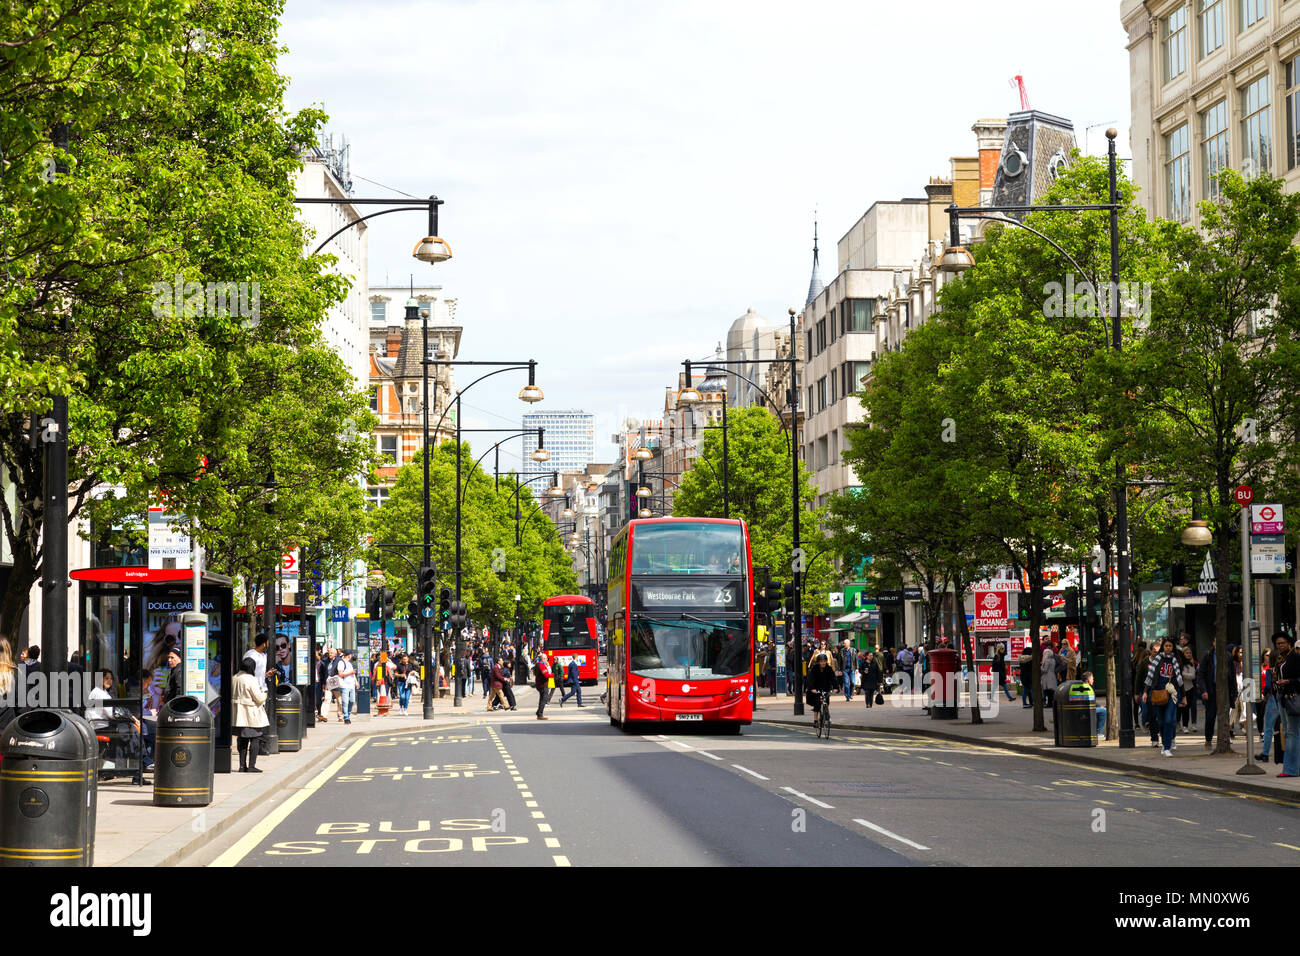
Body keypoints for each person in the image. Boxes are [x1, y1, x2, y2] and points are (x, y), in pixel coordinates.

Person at [1142, 637, 1184, 757]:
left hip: (1172, 694)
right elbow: (1149, 677)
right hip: (1158, 693)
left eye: (1170, 646)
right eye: (1166, 646)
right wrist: (1145, 692)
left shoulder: (1175, 660)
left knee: (1169, 720)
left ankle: (1166, 747)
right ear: (1163, 647)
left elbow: (1180, 679)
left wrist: (1183, 696)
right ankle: (1167, 738)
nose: (1168, 648)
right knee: (1161, 721)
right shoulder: (1157, 660)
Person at [1197, 643, 1238, 749]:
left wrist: (1234, 692)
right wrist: (1204, 690)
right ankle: (1208, 738)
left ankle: (1225, 737)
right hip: (1212, 690)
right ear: (1213, 643)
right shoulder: (1208, 655)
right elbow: (1201, 674)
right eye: (1216, 641)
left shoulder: (1228, 656)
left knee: (1225, 715)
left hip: (1225, 690)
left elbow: (1232, 675)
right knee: (1210, 715)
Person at [232, 657, 269, 772]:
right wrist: (264, 694)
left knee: (242, 739)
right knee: (255, 738)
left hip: (238, 714)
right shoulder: (251, 679)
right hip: (251, 712)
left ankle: (242, 766)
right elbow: (258, 698)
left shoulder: (234, 678)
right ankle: (252, 766)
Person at [1272, 632, 1300, 778]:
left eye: (1282, 643)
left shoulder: (1295, 658)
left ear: (1289, 643)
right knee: (1290, 733)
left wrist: (1288, 682)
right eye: (1278, 644)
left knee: (1292, 734)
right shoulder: (1280, 659)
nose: (1280, 646)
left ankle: (1291, 769)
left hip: (1292, 698)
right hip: (1282, 697)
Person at [807, 653, 836, 730]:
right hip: (816, 688)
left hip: (826, 687)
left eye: (824, 661)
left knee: (827, 701)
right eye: (821, 661)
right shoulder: (814, 669)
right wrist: (812, 688)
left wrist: (835, 687)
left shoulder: (829, 669)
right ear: (818, 662)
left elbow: (833, 679)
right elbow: (811, 679)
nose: (823, 663)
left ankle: (826, 715)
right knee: (817, 703)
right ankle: (816, 720)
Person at [1179, 646, 1198, 734]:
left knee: (1188, 707)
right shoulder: (1180, 664)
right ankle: (1181, 725)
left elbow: (1193, 676)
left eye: (1190, 653)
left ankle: (1186, 725)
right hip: (1181, 688)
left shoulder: (1191, 664)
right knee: (1182, 708)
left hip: (1190, 688)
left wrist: (1183, 674)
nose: (1189, 654)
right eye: (1187, 653)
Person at [1082, 670, 1106, 738]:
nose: (1093, 680)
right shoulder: (1088, 688)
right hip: (1087, 709)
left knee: (1102, 708)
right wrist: (1100, 707)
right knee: (1104, 711)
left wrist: (1099, 706)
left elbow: (1092, 701)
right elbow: (1091, 702)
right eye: (1092, 678)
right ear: (1089, 679)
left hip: (1083, 708)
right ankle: (1098, 732)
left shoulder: (1082, 686)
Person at [336, 650, 357, 725]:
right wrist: (351, 672)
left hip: (352, 685)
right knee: (345, 702)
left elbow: (353, 674)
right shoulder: (341, 663)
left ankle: (348, 714)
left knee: (352, 700)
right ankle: (346, 717)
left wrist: (356, 682)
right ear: (349, 655)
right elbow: (340, 674)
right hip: (344, 685)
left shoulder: (350, 663)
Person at [534, 651, 553, 720]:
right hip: (543, 684)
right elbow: (546, 675)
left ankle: (538, 711)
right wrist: (553, 675)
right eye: (546, 659)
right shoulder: (541, 665)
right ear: (543, 659)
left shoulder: (537, 664)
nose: (547, 660)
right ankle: (540, 714)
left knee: (542, 698)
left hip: (539, 684)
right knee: (544, 699)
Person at [1040, 645, 1058, 710]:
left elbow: (1045, 670)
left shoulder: (1047, 661)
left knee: (1048, 691)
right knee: (1051, 691)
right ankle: (1051, 703)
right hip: (1052, 676)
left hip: (1047, 677)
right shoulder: (1053, 660)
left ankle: (1049, 704)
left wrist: (1040, 667)